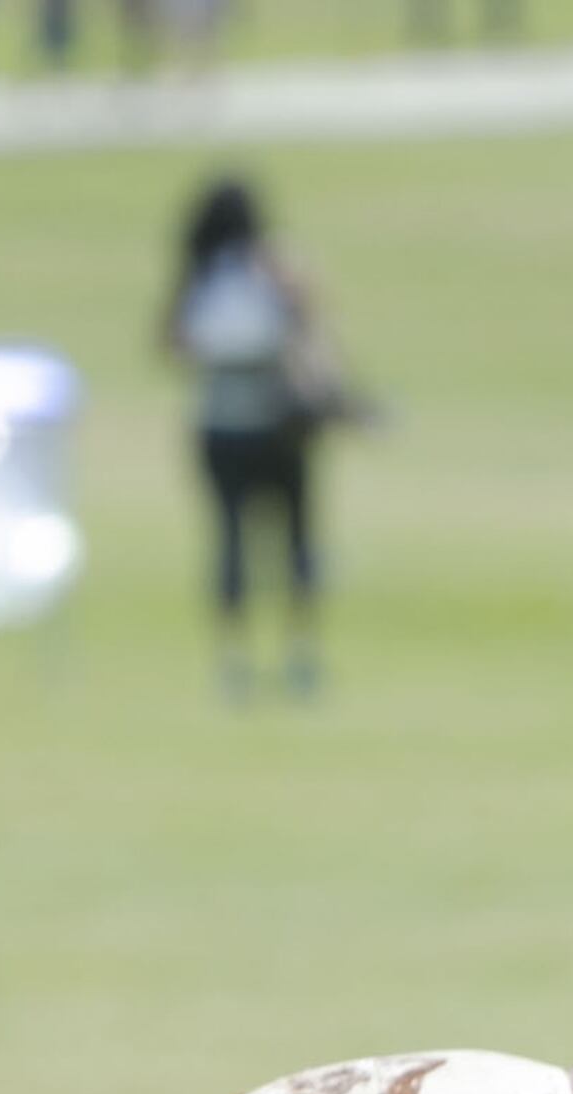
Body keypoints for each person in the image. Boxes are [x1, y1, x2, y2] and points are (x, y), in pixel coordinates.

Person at [160, 174, 333, 701]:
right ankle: (300, 655)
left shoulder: (201, 278)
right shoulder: (273, 270)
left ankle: (233, 661)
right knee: (296, 542)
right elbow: (309, 334)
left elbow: (173, 345)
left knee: (231, 543)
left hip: (219, 426)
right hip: (279, 426)